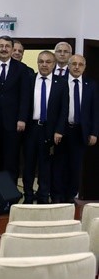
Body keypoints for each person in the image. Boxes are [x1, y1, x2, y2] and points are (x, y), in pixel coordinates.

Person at [21, 51, 67, 204]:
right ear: (37, 63)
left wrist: (59, 130)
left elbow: (64, 109)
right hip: (31, 129)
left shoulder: (60, 83)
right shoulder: (29, 80)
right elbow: (24, 103)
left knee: (45, 165)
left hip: (50, 130)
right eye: (41, 61)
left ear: (54, 64)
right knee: (28, 164)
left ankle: (43, 196)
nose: (44, 65)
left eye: (48, 62)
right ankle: (28, 195)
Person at [53, 54, 98, 202]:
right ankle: (57, 196)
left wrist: (94, 132)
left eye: (80, 64)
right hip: (62, 130)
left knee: (75, 166)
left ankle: (70, 196)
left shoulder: (91, 85)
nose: (77, 67)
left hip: (80, 131)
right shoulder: (59, 82)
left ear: (84, 67)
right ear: (68, 66)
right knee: (59, 165)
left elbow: (95, 111)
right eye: (74, 64)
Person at [0, 36, 29, 178]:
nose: (4, 49)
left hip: (14, 123)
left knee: (11, 161)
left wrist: (22, 118)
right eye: (1, 46)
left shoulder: (22, 69)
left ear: (12, 49)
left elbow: (25, 96)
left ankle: (11, 197)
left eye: (7, 46)